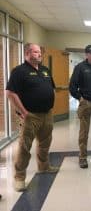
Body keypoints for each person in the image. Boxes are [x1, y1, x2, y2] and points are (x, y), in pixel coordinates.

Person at [6, 43, 59, 192]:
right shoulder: (19, 71)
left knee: (45, 142)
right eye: (36, 52)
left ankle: (43, 166)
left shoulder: (45, 70)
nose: (39, 54)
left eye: (40, 52)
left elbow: (50, 88)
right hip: (30, 115)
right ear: (28, 53)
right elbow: (10, 93)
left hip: (47, 114)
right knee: (24, 146)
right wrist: (23, 112)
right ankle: (19, 177)